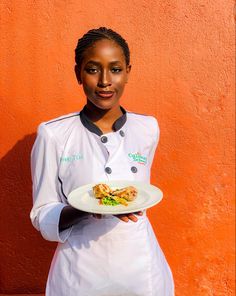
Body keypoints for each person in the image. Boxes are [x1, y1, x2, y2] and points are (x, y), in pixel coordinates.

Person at [30, 27, 174, 296]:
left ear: (128, 71)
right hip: (80, 274)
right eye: (93, 69)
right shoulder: (54, 134)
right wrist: (88, 208)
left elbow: (142, 193)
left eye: (116, 69)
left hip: (142, 273)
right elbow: (42, 213)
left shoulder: (147, 128)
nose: (105, 81)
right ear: (78, 74)